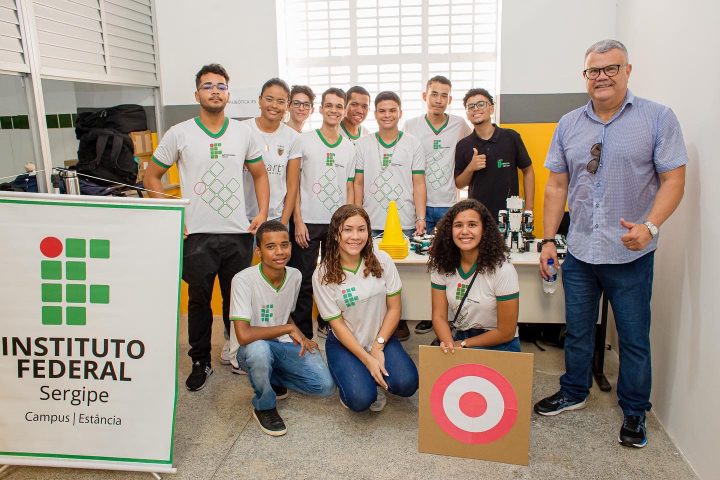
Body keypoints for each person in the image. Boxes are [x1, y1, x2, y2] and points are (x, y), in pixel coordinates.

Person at [534, 39, 687, 449]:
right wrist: (548, 241)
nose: (601, 77)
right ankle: (574, 391)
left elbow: (674, 179)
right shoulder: (569, 123)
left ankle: (635, 409)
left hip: (630, 252)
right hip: (581, 251)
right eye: (593, 70)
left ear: (627, 71)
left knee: (633, 338)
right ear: (585, 76)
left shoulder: (657, 118)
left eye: (610, 68)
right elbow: (556, 185)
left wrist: (651, 226)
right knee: (578, 331)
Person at [145, 63, 270, 392]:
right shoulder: (179, 133)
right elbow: (151, 176)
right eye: (208, 86)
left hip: (238, 233)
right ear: (196, 93)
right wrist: (172, 213)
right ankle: (200, 360)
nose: (215, 91)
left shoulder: (243, 133)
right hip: (197, 234)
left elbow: (260, 174)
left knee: (235, 299)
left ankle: (236, 352)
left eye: (221, 86)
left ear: (228, 93)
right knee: (199, 301)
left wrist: (262, 213)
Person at [228, 221, 335, 436]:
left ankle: (271, 375)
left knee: (325, 386)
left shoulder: (295, 275)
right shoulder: (243, 280)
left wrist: (301, 337)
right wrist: (287, 329)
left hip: (279, 345)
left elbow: (284, 313)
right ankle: (264, 405)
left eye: (284, 245)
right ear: (258, 251)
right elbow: (244, 335)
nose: (279, 252)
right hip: (249, 350)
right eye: (270, 247)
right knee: (259, 349)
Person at [312, 205, 419, 412]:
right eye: (348, 229)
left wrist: (378, 346)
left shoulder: (382, 259)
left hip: (381, 337)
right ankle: (357, 374)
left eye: (361, 229)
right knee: (361, 399)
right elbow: (337, 324)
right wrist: (367, 359)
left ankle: (370, 372)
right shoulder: (323, 274)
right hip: (346, 343)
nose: (355, 236)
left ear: (368, 232)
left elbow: (394, 308)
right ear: (335, 234)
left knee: (407, 384)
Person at [353, 91, 427, 341]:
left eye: (392, 110)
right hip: (371, 221)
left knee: (401, 276)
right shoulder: (363, 144)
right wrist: (356, 217)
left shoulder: (413, 143)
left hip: (404, 222)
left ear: (400, 113)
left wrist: (420, 217)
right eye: (382, 111)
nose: (387, 115)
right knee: (371, 275)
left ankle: (400, 321)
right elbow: (358, 183)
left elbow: (418, 183)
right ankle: (374, 322)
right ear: (375, 114)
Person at [404, 75, 471, 335]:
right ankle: (426, 313)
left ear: (450, 99)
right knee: (421, 264)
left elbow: (471, 149)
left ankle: (448, 318)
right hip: (417, 206)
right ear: (425, 96)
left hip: (448, 205)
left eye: (444, 95)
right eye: (434, 94)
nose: (439, 100)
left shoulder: (460, 125)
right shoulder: (410, 125)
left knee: (448, 265)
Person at [287, 87, 355, 340]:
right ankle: (303, 330)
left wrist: (348, 224)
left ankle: (327, 324)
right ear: (321, 109)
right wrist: (297, 220)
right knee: (304, 279)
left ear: (344, 111)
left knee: (333, 278)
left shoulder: (349, 147)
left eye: (339, 106)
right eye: (329, 105)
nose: (334, 110)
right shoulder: (303, 141)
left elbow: (349, 187)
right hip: (307, 222)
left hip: (336, 225)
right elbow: (294, 184)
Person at [428, 199, 520, 353]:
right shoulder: (442, 266)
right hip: (460, 336)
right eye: (458, 225)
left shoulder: (503, 270)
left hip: (499, 342)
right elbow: (439, 317)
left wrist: (463, 344)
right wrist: (449, 344)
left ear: (484, 230)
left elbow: (506, 332)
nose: (464, 231)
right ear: (450, 230)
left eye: (472, 225)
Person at [454, 88, 535, 220]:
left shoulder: (511, 137)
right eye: (471, 106)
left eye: (481, 104)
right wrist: (470, 168)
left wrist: (529, 209)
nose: (476, 109)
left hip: (510, 216)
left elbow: (528, 170)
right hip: (477, 216)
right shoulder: (463, 145)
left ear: (491, 109)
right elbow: (459, 184)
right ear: (467, 114)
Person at [243, 78, 301, 225]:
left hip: (276, 218)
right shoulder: (243, 130)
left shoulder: (293, 137)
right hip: (243, 218)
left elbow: (292, 185)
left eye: (281, 101)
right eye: (269, 99)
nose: (274, 105)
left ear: (287, 105)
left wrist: (283, 223)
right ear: (260, 100)